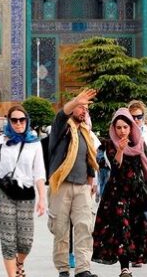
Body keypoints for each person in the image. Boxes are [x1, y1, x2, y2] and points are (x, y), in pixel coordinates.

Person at [0, 106, 46, 277]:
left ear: (27, 121)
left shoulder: (35, 143)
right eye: (14, 120)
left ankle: (19, 262)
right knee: (8, 239)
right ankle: (13, 275)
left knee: (26, 242)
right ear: (9, 121)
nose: (18, 123)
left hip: (26, 195)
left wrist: (42, 198)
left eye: (22, 120)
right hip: (4, 193)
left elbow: (39, 173)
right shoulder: (0, 142)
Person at [92, 109, 147, 276]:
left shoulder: (139, 144)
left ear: (131, 127)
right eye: (118, 127)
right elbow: (115, 166)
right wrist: (120, 149)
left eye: (125, 127)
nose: (122, 131)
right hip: (117, 194)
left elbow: (146, 167)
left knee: (136, 229)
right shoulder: (110, 144)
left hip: (136, 193)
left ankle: (134, 259)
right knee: (121, 228)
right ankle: (124, 268)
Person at [45, 89, 99, 277]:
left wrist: (90, 182)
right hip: (62, 185)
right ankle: (63, 269)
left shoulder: (85, 131)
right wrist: (76, 100)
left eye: (86, 108)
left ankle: (83, 269)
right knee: (61, 228)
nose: (84, 111)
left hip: (82, 186)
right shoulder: (62, 128)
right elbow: (62, 114)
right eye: (80, 107)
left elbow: (90, 157)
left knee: (84, 227)